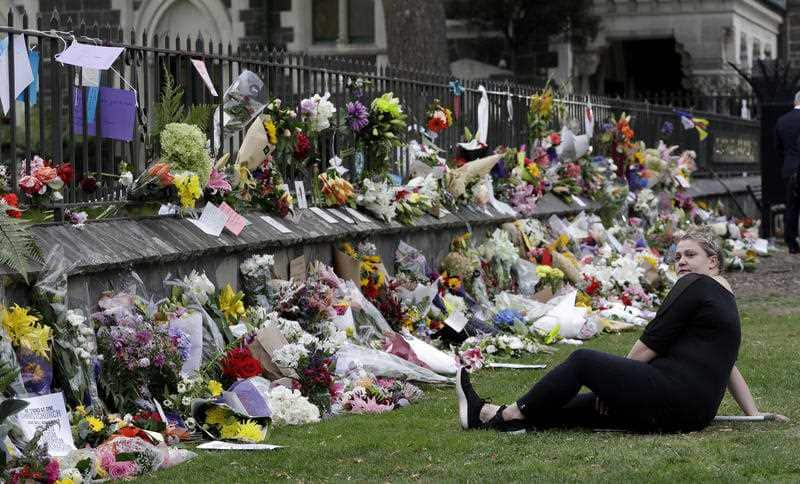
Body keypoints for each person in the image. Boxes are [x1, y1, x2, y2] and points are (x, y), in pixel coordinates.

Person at [457, 228, 788, 433]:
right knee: (583, 408)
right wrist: (754, 415)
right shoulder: (723, 298)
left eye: (691, 255)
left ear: (713, 262)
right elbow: (726, 363)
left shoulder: (695, 286)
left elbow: (650, 342)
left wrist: (612, 384)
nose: (682, 262)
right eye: (678, 257)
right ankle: (489, 415)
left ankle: (514, 413)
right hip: (690, 411)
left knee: (583, 361)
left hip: (675, 395)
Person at [774, 91, 800, 254]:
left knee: (792, 206)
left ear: (794, 102)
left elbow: (778, 148)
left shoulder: (782, 121)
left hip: (790, 169)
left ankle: (792, 243)